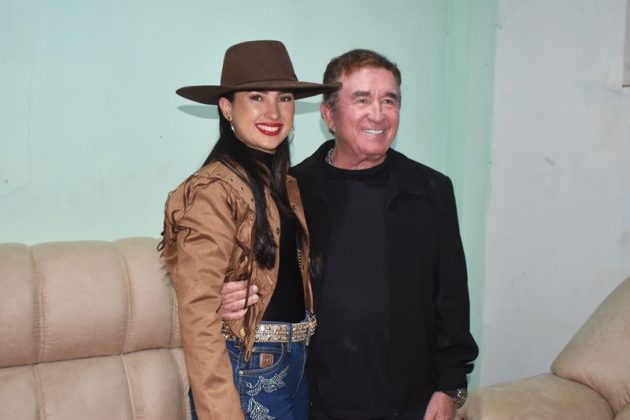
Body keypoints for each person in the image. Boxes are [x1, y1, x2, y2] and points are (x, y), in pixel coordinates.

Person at [221, 48, 478, 420]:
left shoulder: (431, 190)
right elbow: (259, 277)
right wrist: (225, 297)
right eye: (362, 99)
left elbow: (451, 299)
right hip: (315, 402)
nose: (378, 113)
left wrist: (449, 388)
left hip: (412, 403)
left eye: (389, 100)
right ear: (329, 114)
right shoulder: (292, 191)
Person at [159, 40, 338, 420]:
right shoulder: (212, 190)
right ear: (226, 108)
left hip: (296, 364)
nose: (273, 111)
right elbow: (198, 314)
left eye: (284, 98)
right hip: (249, 368)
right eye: (256, 97)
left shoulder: (287, 185)